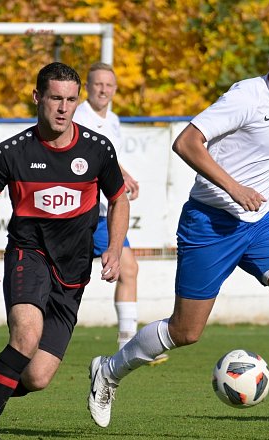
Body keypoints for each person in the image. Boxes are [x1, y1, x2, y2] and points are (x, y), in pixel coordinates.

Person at [87, 34, 269, 440]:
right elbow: (186, 142)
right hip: (210, 223)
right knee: (186, 332)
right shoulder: (246, 97)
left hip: (259, 225)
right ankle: (109, 370)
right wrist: (234, 188)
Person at [0, 62, 129, 440]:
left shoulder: (97, 149)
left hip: (74, 269)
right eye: (55, 98)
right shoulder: (12, 153)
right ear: (37, 98)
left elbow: (118, 199)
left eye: (70, 99)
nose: (63, 108)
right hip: (28, 256)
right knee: (26, 336)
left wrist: (114, 248)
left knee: (37, 377)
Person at [73, 62, 167, 364]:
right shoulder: (79, 116)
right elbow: (89, 156)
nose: (103, 90)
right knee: (62, 278)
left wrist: (122, 176)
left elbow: (107, 156)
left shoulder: (111, 119)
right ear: (88, 87)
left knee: (128, 269)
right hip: (80, 212)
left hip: (103, 213)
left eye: (109, 85)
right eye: (98, 84)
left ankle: (129, 346)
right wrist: (119, 175)